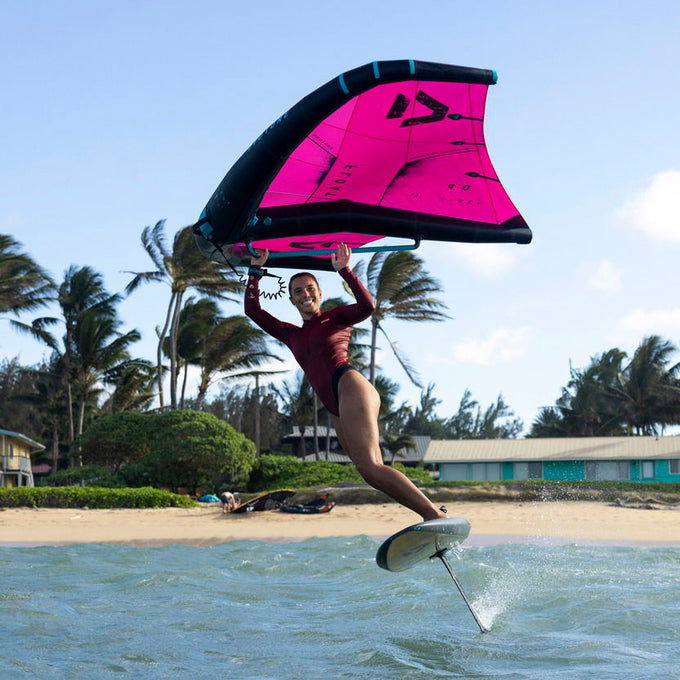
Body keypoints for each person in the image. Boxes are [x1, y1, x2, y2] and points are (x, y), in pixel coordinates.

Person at [245, 243, 447, 522]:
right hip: (337, 405)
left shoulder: (335, 317)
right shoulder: (291, 334)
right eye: (298, 291)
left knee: (373, 465)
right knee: (368, 473)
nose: (305, 294)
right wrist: (255, 271)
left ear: (320, 293)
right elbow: (253, 311)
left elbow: (367, 306)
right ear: (291, 300)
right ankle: (430, 514)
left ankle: (433, 514)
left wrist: (345, 271)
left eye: (310, 289)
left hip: (349, 386)